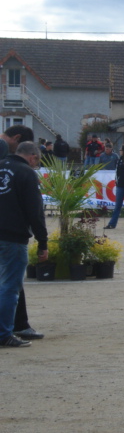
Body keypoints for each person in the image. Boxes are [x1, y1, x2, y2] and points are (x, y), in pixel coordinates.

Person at [0, 142, 48, 348]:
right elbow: (34, 211)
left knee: (11, 284)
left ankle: (19, 324)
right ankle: (4, 333)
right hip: (13, 236)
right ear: (33, 158)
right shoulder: (27, 174)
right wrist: (42, 242)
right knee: (10, 286)